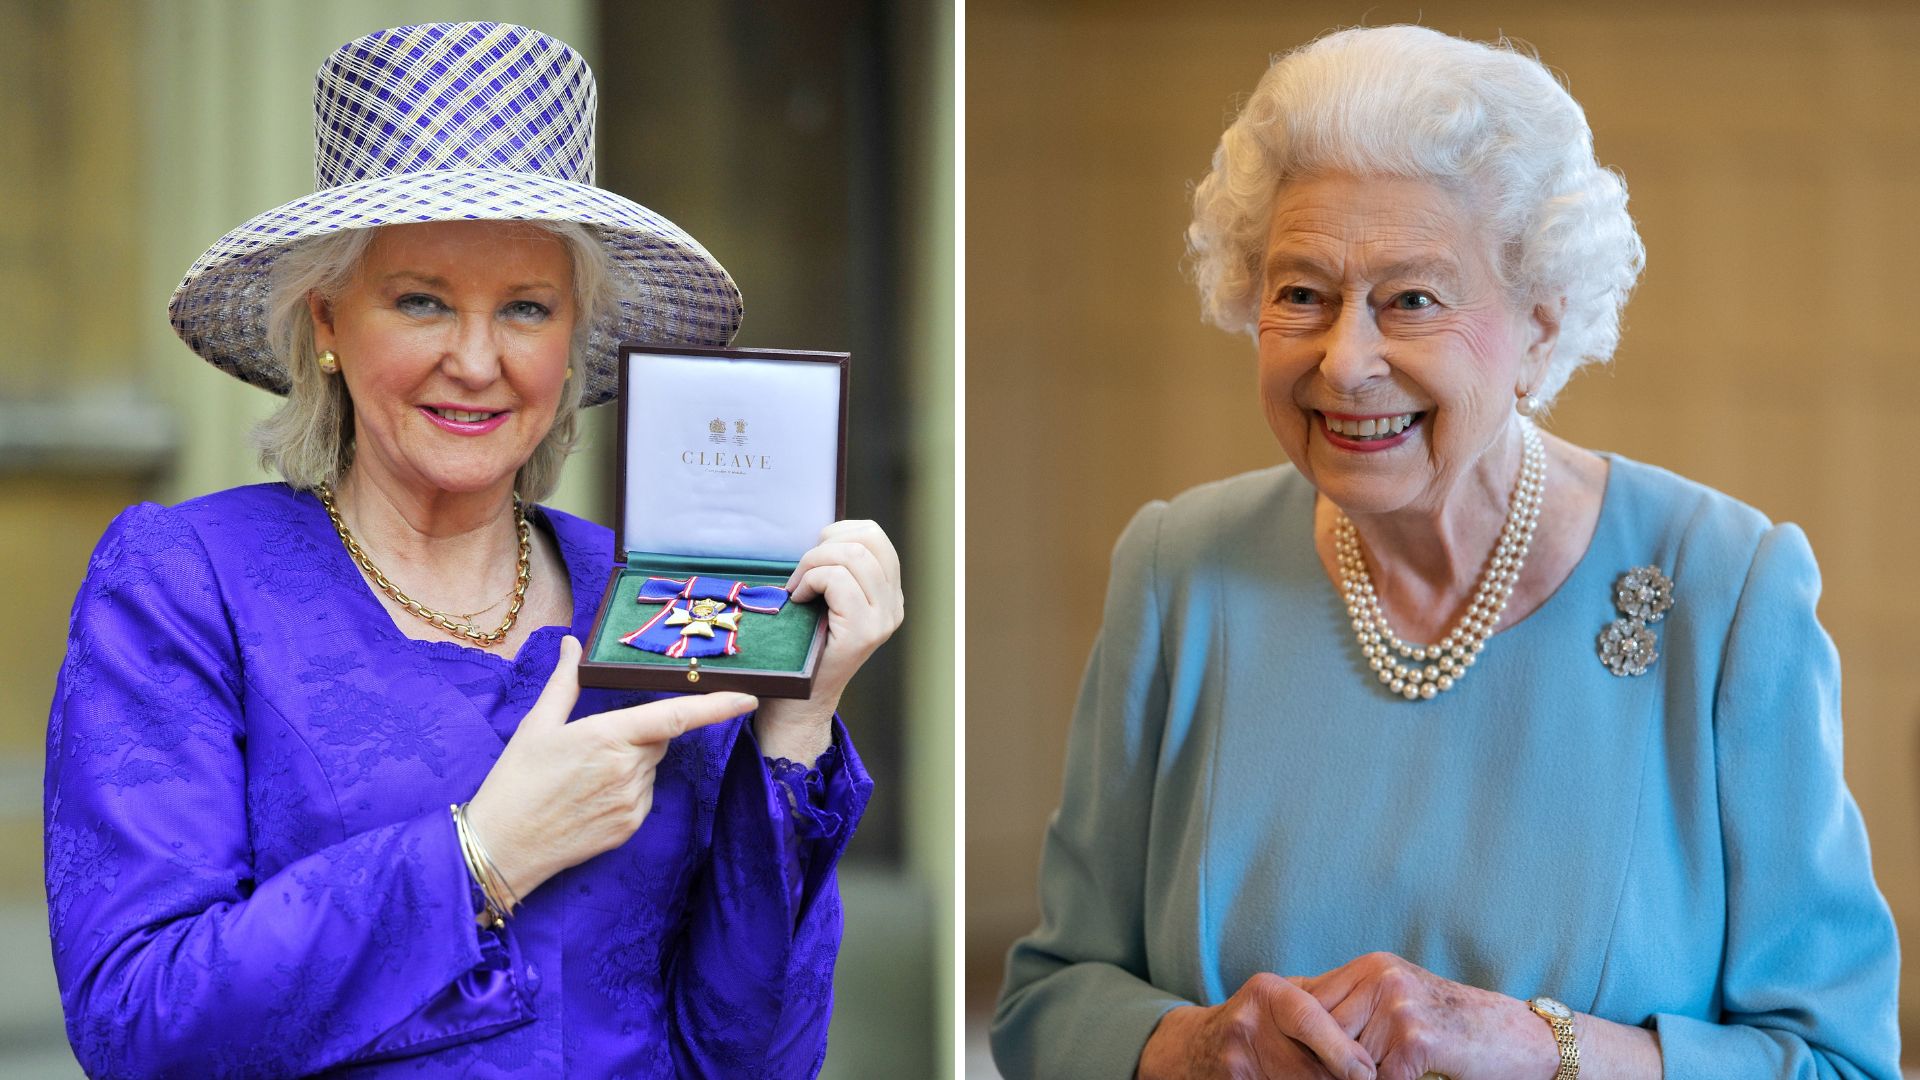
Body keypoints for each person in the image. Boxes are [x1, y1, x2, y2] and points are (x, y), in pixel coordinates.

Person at [991, 25, 1897, 1080]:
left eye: (1412, 298)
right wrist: (1195, 1044)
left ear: (1542, 326)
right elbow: (1049, 1004)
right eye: (1300, 294)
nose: (1347, 358)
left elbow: (1841, 1062)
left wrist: (1547, 1050)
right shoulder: (1178, 569)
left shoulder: (1725, 591)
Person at [44, 22, 902, 1077]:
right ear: (327, 320)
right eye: (422, 301)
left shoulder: (662, 600)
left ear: (572, 335)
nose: (477, 359)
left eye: (527, 308)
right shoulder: (187, 583)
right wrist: (479, 857)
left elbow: (748, 1057)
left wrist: (796, 722)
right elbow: (137, 1021)